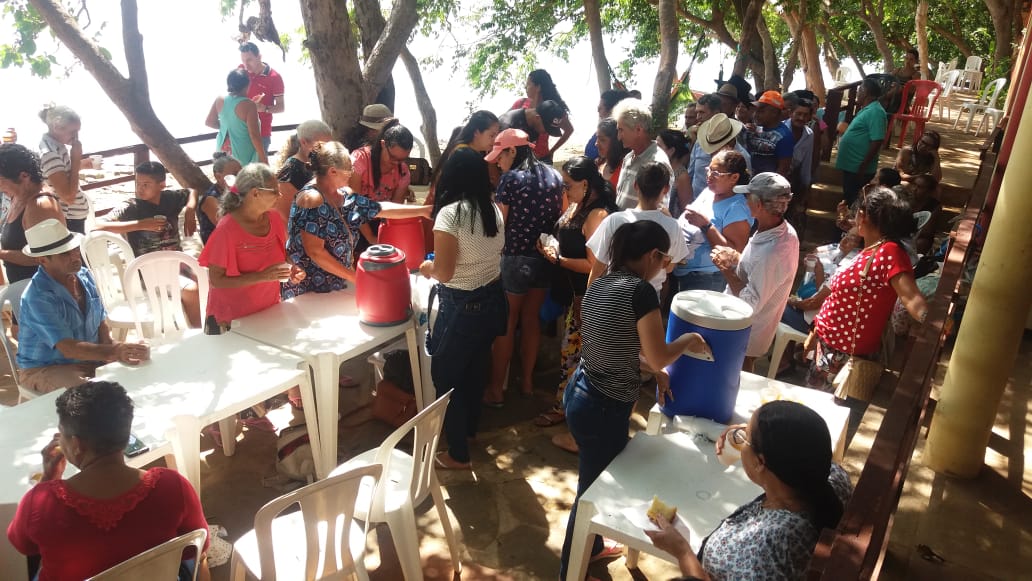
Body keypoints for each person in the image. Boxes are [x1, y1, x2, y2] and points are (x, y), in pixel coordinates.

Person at [558, 220, 711, 579]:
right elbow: (658, 355)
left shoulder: (599, 285)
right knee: (590, 493)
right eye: (664, 258)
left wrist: (653, 370)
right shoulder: (640, 292)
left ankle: (592, 549)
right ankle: (569, 570)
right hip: (602, 407)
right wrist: (688, 340)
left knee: (594, 478)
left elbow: (615, 346)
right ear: (651, 255)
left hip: (580, 393)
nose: (665, 266)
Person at [7, 381, 211, 581]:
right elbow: (197, 549)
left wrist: (47, 481)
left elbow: (22, 545)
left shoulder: (40, 502)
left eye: (62, 434)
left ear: (76, 444)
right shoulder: (173, 486)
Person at [645, 401, 852, 581]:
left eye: (745, 436)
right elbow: (795, 440)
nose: (739, 434)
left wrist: (682, 551)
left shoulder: (768, 550)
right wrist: (747, 435)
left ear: (761, 462)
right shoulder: (831, 476)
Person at [418, 148, 507, 469]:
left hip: (461, 306)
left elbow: (443, 271)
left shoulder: (450, 214)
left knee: (446, 377)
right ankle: (468, 432)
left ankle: (457, 454)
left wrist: (424, 267)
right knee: (474, 371)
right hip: (491, 299)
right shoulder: (492, 209)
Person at [807, 187, 928, 392]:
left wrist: (934, 324)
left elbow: (913, 299)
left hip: (844, 359)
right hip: (830, 348)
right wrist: (815, 335)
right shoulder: (874, 248)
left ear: (863, 216)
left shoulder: (890, 252)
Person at [16, 220, 151, 394]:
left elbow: (102, 327)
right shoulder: (37, 296)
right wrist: (115, 351)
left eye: (74, 249)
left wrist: (127, 349)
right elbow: (68, 348)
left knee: (140, 369)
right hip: (44, 368)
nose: (75, 256)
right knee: (90, 396)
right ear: (43, 260)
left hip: (90, 359)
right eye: (65, 254)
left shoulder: (85, 276)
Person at [281, 141, 430, 298]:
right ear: (332, 172)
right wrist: (356, 277)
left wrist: (423, 211)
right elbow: (315, 252)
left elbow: (380, 209)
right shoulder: (312, 199)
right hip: (308, 288)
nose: (352, 174)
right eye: (348, 171)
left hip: (336, 284)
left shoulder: (344, 194)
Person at [534, 156, 619, 429]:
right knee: (570, 353)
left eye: (567, 185)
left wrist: (559, 261)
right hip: (572, 293)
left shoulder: (597, 215)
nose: (564, 191)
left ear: (585, 183)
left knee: (575, 355)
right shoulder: (578, 205)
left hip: (587, 296)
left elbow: (595, 265)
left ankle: (569, 409)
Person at [483, 129, 563, 405]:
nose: (497, 163)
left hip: (515, 258)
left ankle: (495, 390)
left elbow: (499, 225)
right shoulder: (554, 176)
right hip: (544, 258)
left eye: (500, 156)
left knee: (507, 322)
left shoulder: (510, 180)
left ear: (513, 151)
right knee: (531, 321)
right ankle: (527, 383)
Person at [710, 173, 800, 372]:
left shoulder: (773, 250)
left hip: (748, 332)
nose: (745, 200)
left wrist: (726, 269)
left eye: (748, 197)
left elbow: (750, 304)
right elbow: (758, 270)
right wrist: (736, 258)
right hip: (749, 330)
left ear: (759, 204)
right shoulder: (782, 231)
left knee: (736, 375)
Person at [94, 161, 201, 327]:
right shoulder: (132, 207)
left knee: (211, 281)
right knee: (192, 291)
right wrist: (140, 224)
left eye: (146, 184)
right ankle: (198, 334)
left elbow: (191, 192)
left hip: (177, 263)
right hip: (149, 271)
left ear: (161, 185)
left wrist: (190, 209)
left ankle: (202, 324)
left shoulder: (170, 199)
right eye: (138, 183)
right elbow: (97, 225)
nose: (140, 189)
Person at [199, 162, 304, 327]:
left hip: (268, 309)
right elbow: (216, 279)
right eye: (274, 191)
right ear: (255, 193)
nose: (280, 195)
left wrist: (292, 268)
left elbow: (282, 254)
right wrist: (262, 276)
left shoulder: (274, 218)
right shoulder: (226, 229)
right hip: (232, 320)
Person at [587, 162, 689, 296]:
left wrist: (588, 298)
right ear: (666, 189)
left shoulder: (614, 220)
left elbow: (599, 266)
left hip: (615, 295)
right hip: (649, 297)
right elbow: (669, 268)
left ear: (635, 185)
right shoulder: (672, 226)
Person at [676, 148, 754, 293]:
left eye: (716, 173)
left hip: (707, 278)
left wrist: (706, 226)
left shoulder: (737, 208)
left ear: (734, 177)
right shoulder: (709, 192)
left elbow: (734, 252)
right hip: (685, 272)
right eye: (709, 170)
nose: (709, 176)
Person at [0, 144, 66, 284]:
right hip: (24, 288)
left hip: (45, 293)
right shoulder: (17, 195)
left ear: (24, 176)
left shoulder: (41, 206)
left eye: (1, 181)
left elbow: (47, 257)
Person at [37, 104, 91, 233]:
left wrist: (80, 163)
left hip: (71, 216)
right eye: (73, 132)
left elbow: (61, 173)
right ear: (56, 127)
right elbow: (68, 197)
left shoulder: (57, 146)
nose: (76, 136)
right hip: (69, 218)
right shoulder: (49, 153)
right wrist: (76, 159)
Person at [612, 98, 672, 209]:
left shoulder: (657, 162)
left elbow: (659, 210)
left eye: (621, 130)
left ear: (638, 130)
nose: (618, 137)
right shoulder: (628, 158)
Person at [836, 77, 887, 206]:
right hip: (852, 166)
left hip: (859, 168)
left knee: (854, 202)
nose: (858, 93)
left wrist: (863, 166)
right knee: (849, 198)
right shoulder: (867, 109)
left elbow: (877, 140)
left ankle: (850, 225)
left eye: (860, 90)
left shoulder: (876, 111)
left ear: (866, 92)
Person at [688, 102, 751, 200]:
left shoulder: (743, 158)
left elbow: (743, 190)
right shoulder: (699, 143)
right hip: (697, 200)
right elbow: (690, 172)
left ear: (729, 142)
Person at [274, 119, 334, 221]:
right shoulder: (289, 173)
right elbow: (286, 218)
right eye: (320, 145)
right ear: (303, 142)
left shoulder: (320, 162)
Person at [205, 68, 266, 165]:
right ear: (247, 84)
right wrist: (264, 160)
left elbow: (209, 122)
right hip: (242, 154)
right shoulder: (249, 105)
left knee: (225, 178)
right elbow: (254, 135)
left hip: (221, 151)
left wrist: (229, 124)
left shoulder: (220, 99)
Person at [511, 69, 574, 163]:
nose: (525, 87)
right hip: (520, 160)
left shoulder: (551, 110)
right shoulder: (520, 104)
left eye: (528, 84)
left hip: (542, 160)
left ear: (538, 87)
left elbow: (569, 130)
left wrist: (552, 151)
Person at [349, 119, 413, 205]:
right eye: (392, 157)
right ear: (383, 144)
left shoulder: (403, 171)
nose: (396, 163)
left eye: (402, 160)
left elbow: (396, 209)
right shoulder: (359, 160)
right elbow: (352, 205)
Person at [239, 41, 285, 153]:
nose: (246, 65)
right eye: (243, 60)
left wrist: (264, 108)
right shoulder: (241, 70)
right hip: (241, 130)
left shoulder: (274, 77)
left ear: (259, 56)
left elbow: (281, 107)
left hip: (261, 133)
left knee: (258, 169)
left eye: (249, 60)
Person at [498, 99, 566, 163]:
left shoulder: (535, 126)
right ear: (537, 118)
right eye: (546, 129)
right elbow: (494, 154)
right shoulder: (509, 125)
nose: (546, 132)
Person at [744, 91, 794, 178]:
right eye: (756, 110)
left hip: (767, 186)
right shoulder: (755, 129)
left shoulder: (784, 136)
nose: (756, 115)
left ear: (774, 113)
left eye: (761, 111)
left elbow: (783, 169)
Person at [198, 154, 241, 245]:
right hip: (218, 250)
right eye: (235, 174)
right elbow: (229, 228)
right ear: (218, 177)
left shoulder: (237, 192)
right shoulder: (211, 199)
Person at [585, 89, 630, 160]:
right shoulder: (603, 131)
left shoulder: (618, 134)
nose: (597, 111)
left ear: (611, 110)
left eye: (600, 108)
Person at [658, 129, 693, 217]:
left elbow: (685, 210)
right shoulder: (658, 167)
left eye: (659, 146)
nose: (655, 150)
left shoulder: (682, 176)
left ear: (671, 151)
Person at [907, 173, 942, 255]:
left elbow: (926, 232)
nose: (914, 189)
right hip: (902, 234)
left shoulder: (934, 206)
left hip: (918, 237)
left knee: (922, 242)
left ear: (928, 191)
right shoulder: (906, 200)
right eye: (914, 185)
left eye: (920, 187)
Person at [595, 117, 628, 187]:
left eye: (602, 140)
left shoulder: (625, 169)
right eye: (597, 138)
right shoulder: (598, 165)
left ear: (616, 142)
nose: (596, 144)